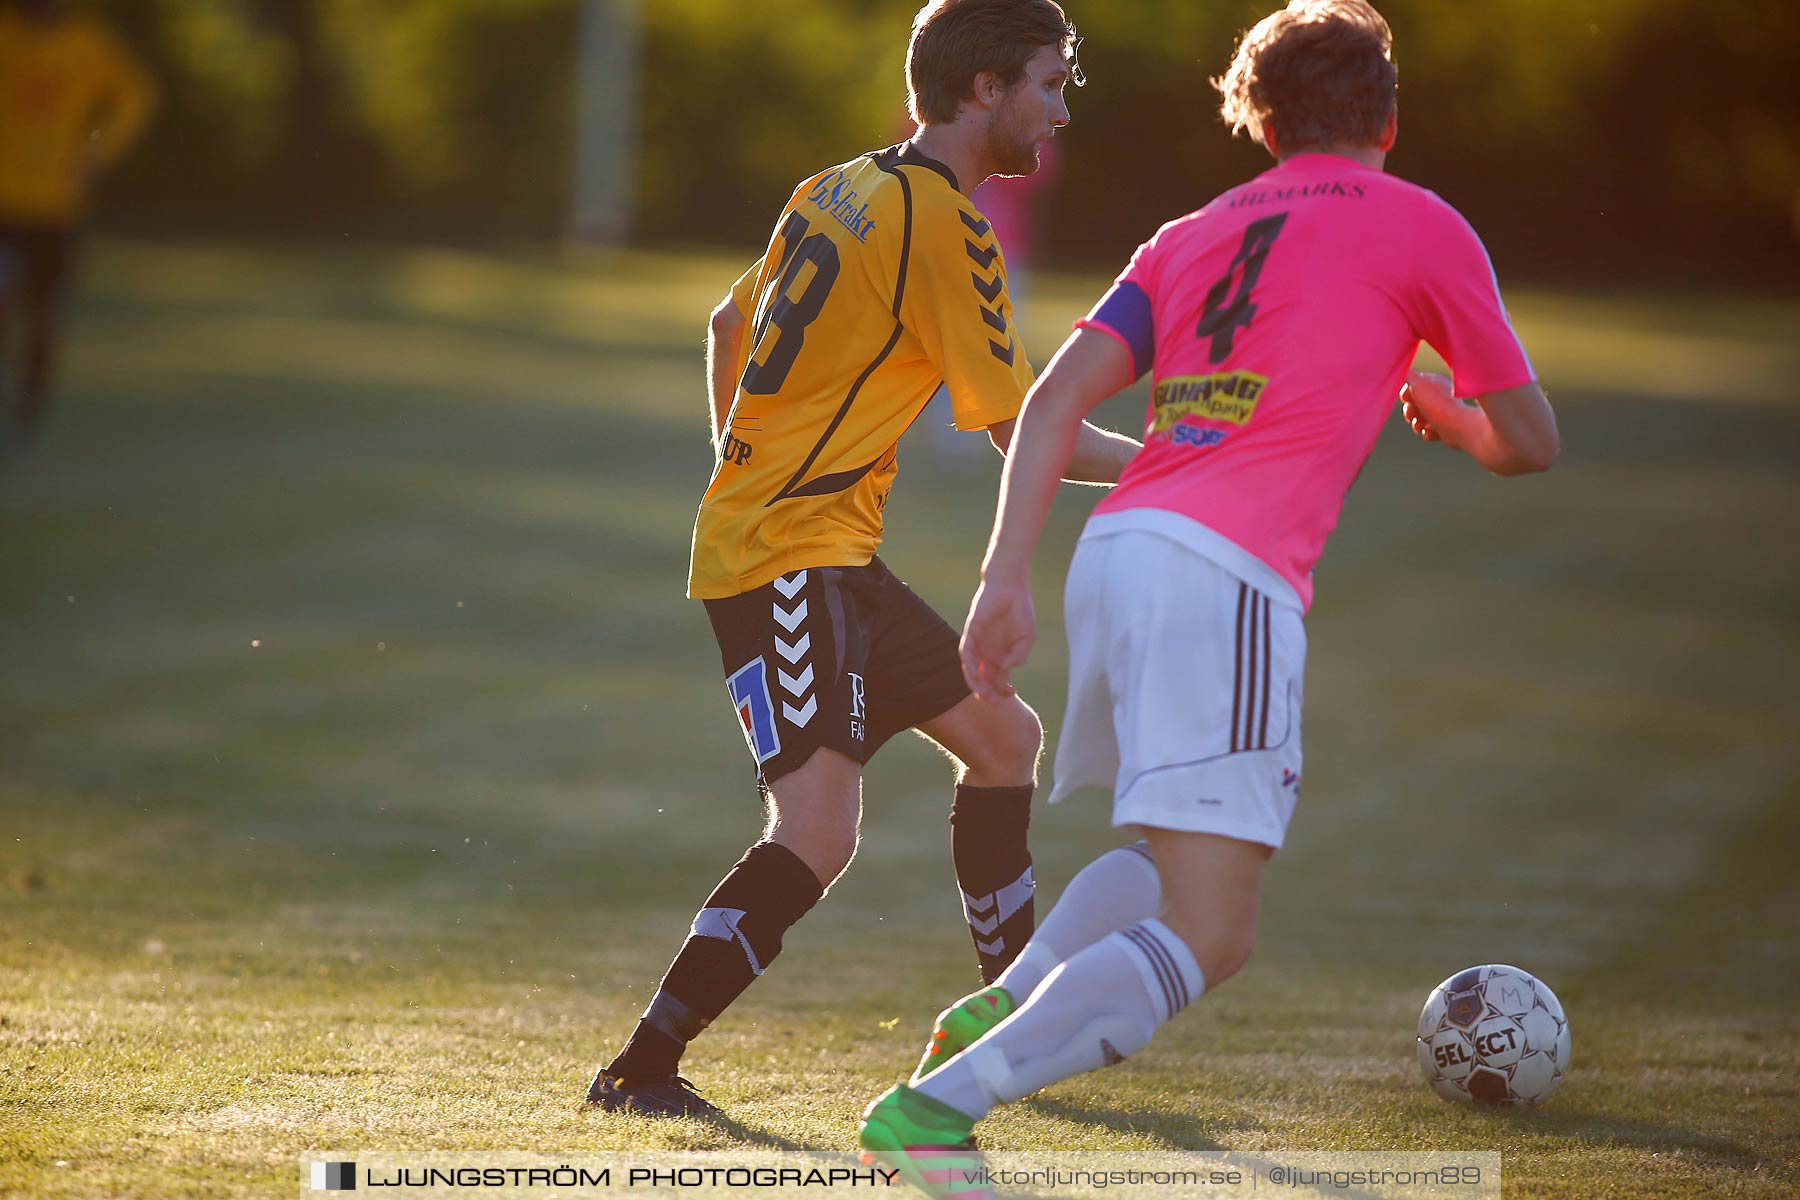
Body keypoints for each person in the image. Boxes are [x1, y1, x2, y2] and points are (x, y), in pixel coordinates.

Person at [858, 0, 1559, 1189]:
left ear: (1263, 120)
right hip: (1224, 577)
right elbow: (1531, 439)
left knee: (1164, 855)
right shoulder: (1423, 225)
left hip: (1120, 550)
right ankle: (937, 1111)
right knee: (1212, 932)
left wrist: (1001, 579)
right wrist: (1451, 418)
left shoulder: (1191, 232)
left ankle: (1001, 1012)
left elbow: (1050, 401)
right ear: (1386, 111)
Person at [585, 0, 1140, 1117]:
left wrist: (736, 468)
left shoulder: (833, 185)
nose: (1061, 108)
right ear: (984, 90)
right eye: (1046, 83)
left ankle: (1014, 1029)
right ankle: (639, 1073)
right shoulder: (946, 225)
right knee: (819, 834)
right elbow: (1019, 430)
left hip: (812, 546)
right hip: (789, 556)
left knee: (1002, 739)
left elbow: (722, 327)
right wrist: (1180, 466)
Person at [0, 0, 156, 446]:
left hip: (56, 203)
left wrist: (96, 151)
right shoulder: (5, 36)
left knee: (44, 312)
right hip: (4, 200)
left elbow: (135, 96)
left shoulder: (88, 42)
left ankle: (30, 401)